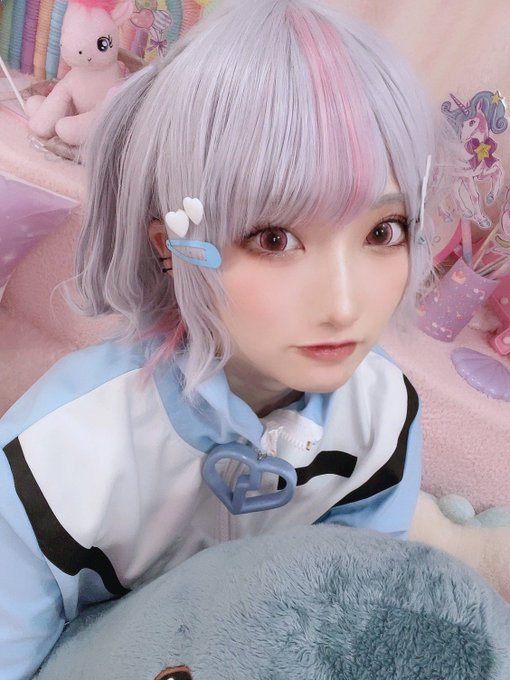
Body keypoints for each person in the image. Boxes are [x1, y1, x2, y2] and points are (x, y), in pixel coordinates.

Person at [1, 0, 508, 677]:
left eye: (382, 232)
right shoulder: (54, 457)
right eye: (274, 239)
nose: (345, 304)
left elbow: (355, 620)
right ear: (171, 247)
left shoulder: (384, 415)